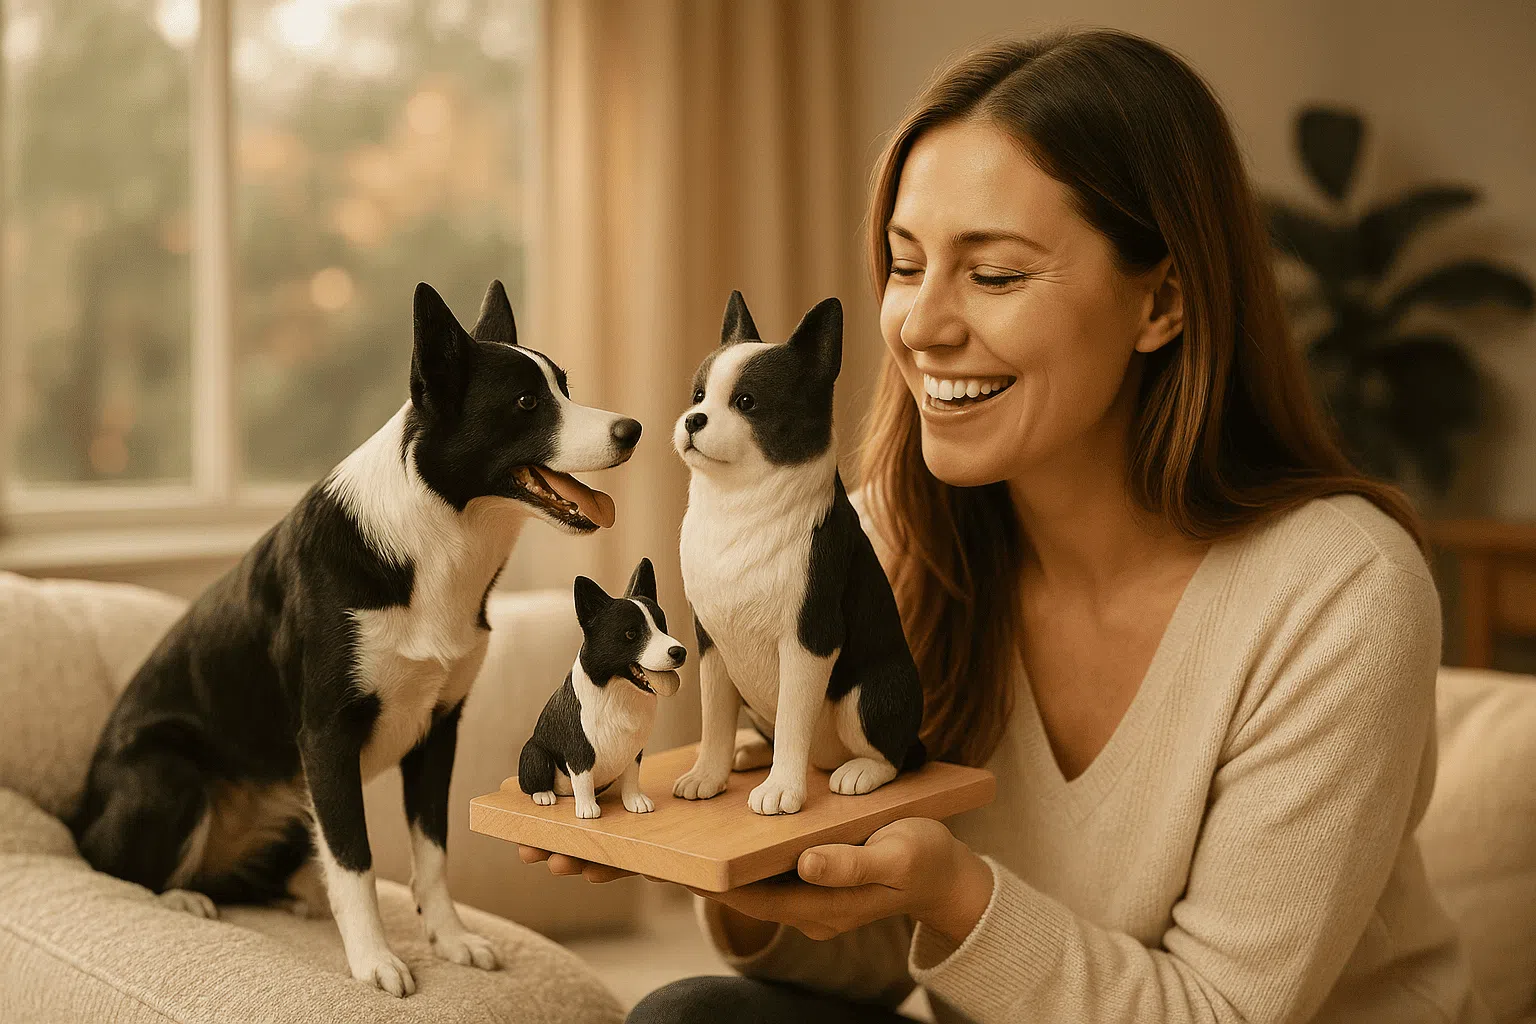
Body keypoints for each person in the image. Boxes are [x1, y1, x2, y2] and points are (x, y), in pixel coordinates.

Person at [521, 29, 1488, 1024]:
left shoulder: (1339, 591)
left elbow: (1217, 1013)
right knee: (693, 1016)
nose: (920, 325)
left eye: (995, 275)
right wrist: (759, 875)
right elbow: (885, 965)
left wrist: (954, 893)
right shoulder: (883, 540)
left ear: (1162, 300)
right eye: (904, 265)